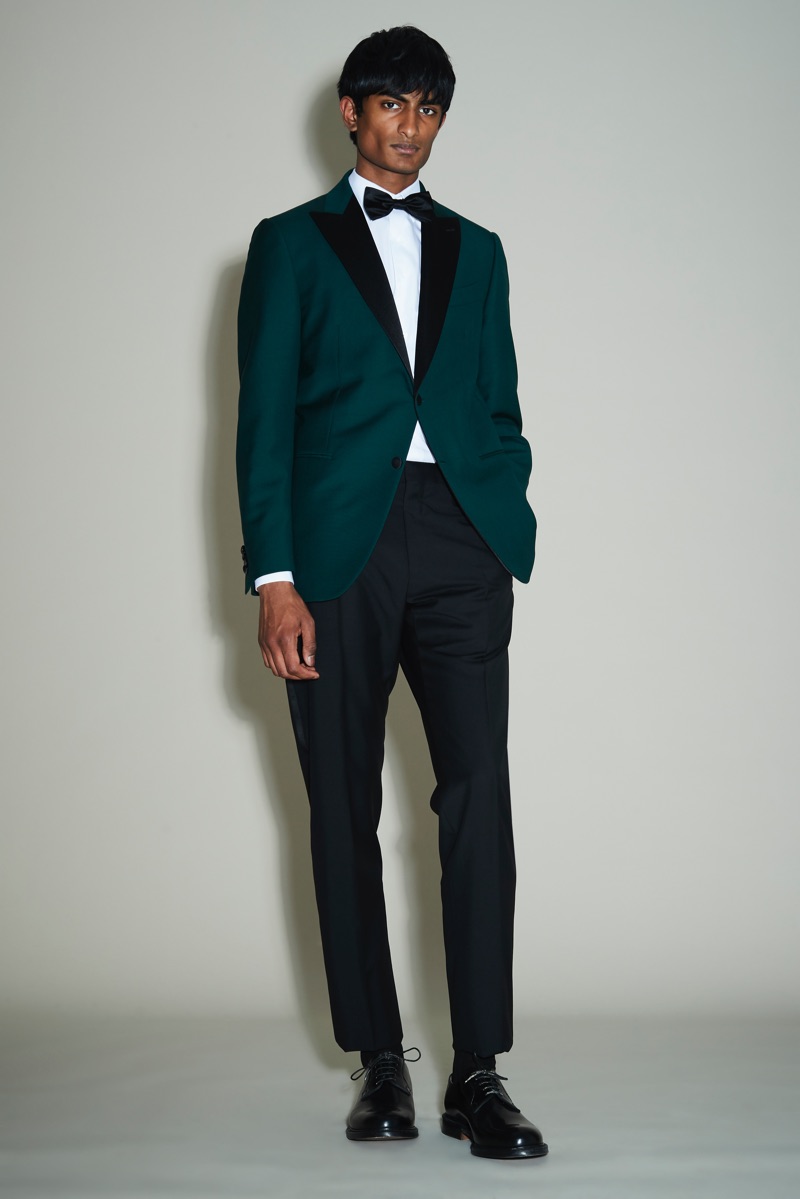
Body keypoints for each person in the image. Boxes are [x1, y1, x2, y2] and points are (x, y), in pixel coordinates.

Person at [236, 25, 547, 1160]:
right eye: (392, 105)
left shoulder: (480, 250)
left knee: (479, 798)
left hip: (458, 538)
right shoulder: (288, 245)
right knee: (340, 803)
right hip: (335, 554)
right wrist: (275, 577)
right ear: (351, 112)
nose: (410, 127)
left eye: (428, 108)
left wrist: (497, 516)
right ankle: (379, 1061)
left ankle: (479, 1070)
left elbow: (498, 402)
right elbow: (262, 421)